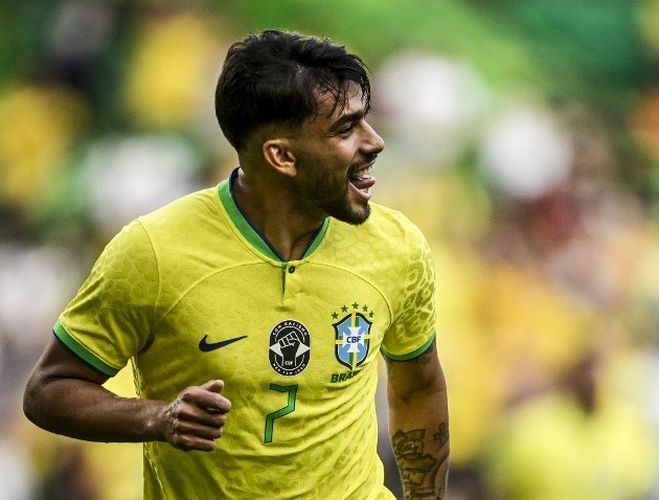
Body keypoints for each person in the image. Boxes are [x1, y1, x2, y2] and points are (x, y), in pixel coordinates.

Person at [23, 30, 449, 499]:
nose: (375, 142)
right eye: (346, 129)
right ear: (282, 156)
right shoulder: (154, 251)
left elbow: (417, 387)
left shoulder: (396, 245)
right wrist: (156, 418)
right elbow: (50, 390)